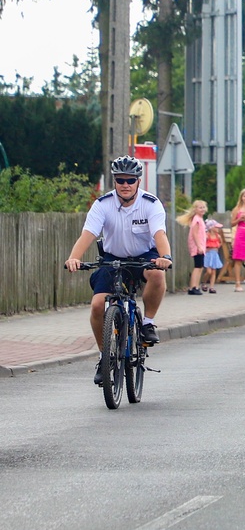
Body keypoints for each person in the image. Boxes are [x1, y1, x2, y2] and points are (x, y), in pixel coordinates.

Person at [64, 156, 173, 385]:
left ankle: (147, 323)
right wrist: (74, 258)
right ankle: (105, 358)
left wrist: (165, 257)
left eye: (130, 180)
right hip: (113, 259)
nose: (125, 184)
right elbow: (88, 234)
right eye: (120, 180)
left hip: (144, 256)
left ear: (138, 181)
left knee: (157, 274)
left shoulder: (150, 204)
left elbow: (159, 234)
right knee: (97, 305)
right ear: (114, 181)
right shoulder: (103, 204)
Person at [177, 200, 208, 295]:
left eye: (203, 207)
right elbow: (195, 234)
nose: (202, 209)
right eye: (200, 207)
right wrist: (199, 246)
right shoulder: (197, 219)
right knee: (198, 267)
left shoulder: (200, 219)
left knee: (200, 267)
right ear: (195, 209)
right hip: (198, 246)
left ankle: (196, 286)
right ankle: (193, 287)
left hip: (201, 245)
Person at [202, 220, 224, 293]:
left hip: (215, 254)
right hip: (208, 254)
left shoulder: (218, 236)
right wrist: (206, 249)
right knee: (209, 271)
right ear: (211, 228)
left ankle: (211, 287)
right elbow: (203, 243)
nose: (218, 229)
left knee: (214, 271)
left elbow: (221, 242)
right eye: (216, 227)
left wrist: (217, 247)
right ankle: (204, 283)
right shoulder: (207, 235)